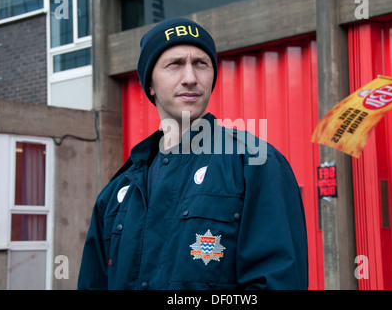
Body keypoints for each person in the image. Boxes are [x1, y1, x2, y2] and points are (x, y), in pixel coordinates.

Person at [78, 18, 308, 290]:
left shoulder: (255, 164)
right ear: (150, 84)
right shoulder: (118, 193)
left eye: (201, 63)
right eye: (174, 64)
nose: (190, 78)